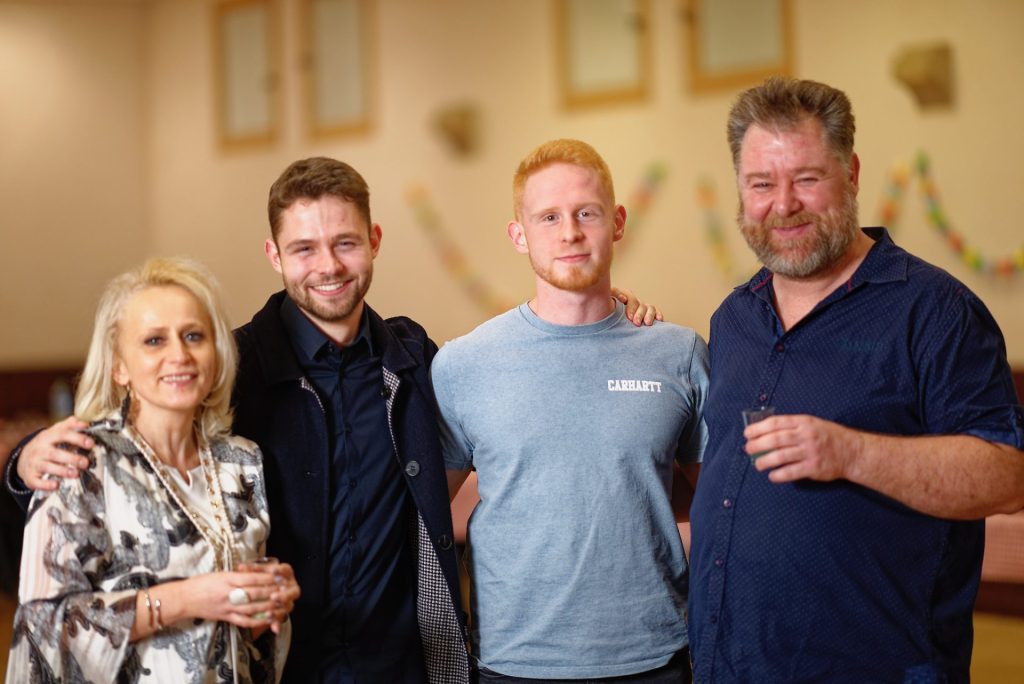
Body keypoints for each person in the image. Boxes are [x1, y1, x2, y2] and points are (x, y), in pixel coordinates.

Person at [6, 157, 659, 683]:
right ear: (274, 254)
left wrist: (601, 310)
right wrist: (24, 457)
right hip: (281, 665)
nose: (328, 266)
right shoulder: (232, 366)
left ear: (374, 241)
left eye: (345, 242)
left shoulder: (415, 359)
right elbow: (135, 429)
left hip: (405, 661)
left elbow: (521, 370)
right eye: (304, 248)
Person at [688, 77, 1024, 683]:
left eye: (806, 179)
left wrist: (849, 453)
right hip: (731, 667)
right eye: (761, 184)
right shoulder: (733, 318)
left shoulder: (936, 311)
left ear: (852, 174)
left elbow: (1006, 477)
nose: (783, 204)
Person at [435, 139, 709, 682]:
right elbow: (422, 518)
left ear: (618, 222)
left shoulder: (678, 353)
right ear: (519, 234)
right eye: (548, 217)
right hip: (514, 663)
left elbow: (722, 504)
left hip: (655, 658)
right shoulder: (463, 364)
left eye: (587, 213)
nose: (570, 233)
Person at [5, 257, 299, 683]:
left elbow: (243, 638)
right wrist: (188, 598)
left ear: (216, 353)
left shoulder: (242, 462)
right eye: (154, 341)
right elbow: (44, 627)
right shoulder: (78, 461)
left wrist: (267, 600)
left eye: (193, 336)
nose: (179, 355)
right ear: (119, 367)